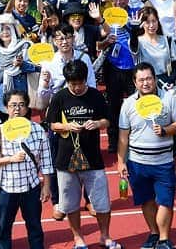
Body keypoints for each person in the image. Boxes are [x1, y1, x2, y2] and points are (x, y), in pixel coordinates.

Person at [47, 59, 121, 249]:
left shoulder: (96, 96)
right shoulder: (59, 98)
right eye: (73, 84)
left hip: (93, 159)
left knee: (102, 201)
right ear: (67, 82)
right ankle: (78, 238)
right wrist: (66, 126)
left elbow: (107, 120)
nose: (78, 87)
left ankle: (105, 235)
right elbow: (52, 124)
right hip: (65, 160)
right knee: (71, 204)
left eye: (80, 83)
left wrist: (97, 124)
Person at [117, 62, 176, 249]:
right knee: (146, 199)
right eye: (141, 80)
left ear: (155, 79)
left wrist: (166, 130)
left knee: (165, 201)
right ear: (134, 82)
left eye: (149, 78)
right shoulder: (128, 104)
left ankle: (164, 238)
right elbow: (123, 135)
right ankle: (154, 234)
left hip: (163, 161)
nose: (146, 83)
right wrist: (121, 162)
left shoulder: (168, 98)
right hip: (137, 162)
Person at [0, 90, 53, 249]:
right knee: (3, 230)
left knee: (35, 228)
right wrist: (10, 159)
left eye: (21, 105)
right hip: (6, 189)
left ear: (27, 107)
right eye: (13, 105)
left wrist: (47, 186)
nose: (17, 109)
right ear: (6, 108)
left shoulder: (37, 130)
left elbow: (46, 162)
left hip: (31, 187)